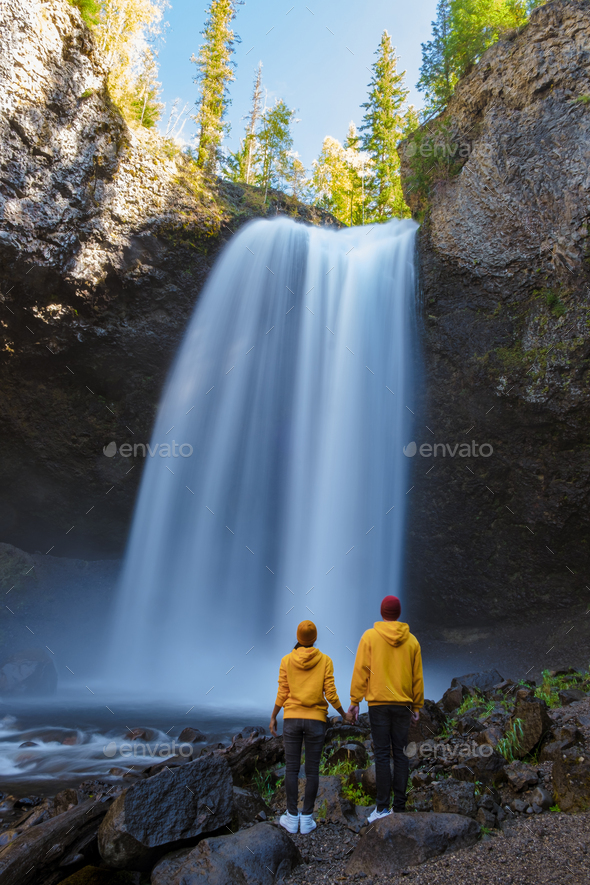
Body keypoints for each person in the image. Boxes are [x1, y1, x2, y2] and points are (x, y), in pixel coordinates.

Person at [270, 620, 350, 835]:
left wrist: (274, 716)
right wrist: (344, 714)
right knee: (313, 770)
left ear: (298, 638)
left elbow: (283, 691)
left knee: (292, 769)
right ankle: (307, 819)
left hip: (292, 719)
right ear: (314, 639)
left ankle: (291, 816)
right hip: (316, 721)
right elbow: (330, 693)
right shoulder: (325, 660)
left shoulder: (286, 660)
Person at [348, 595, 423, 821]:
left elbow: (361, 669)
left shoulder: (369, 637)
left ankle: (381, 809)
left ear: (382, 613)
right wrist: (417, 705)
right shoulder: (412, 642)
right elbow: (416, 677)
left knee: (381, 754)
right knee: (401, 754)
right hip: (402, 704)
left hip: (378, 704)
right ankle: (399, 808)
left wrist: (355, 700)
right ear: (398, 614)